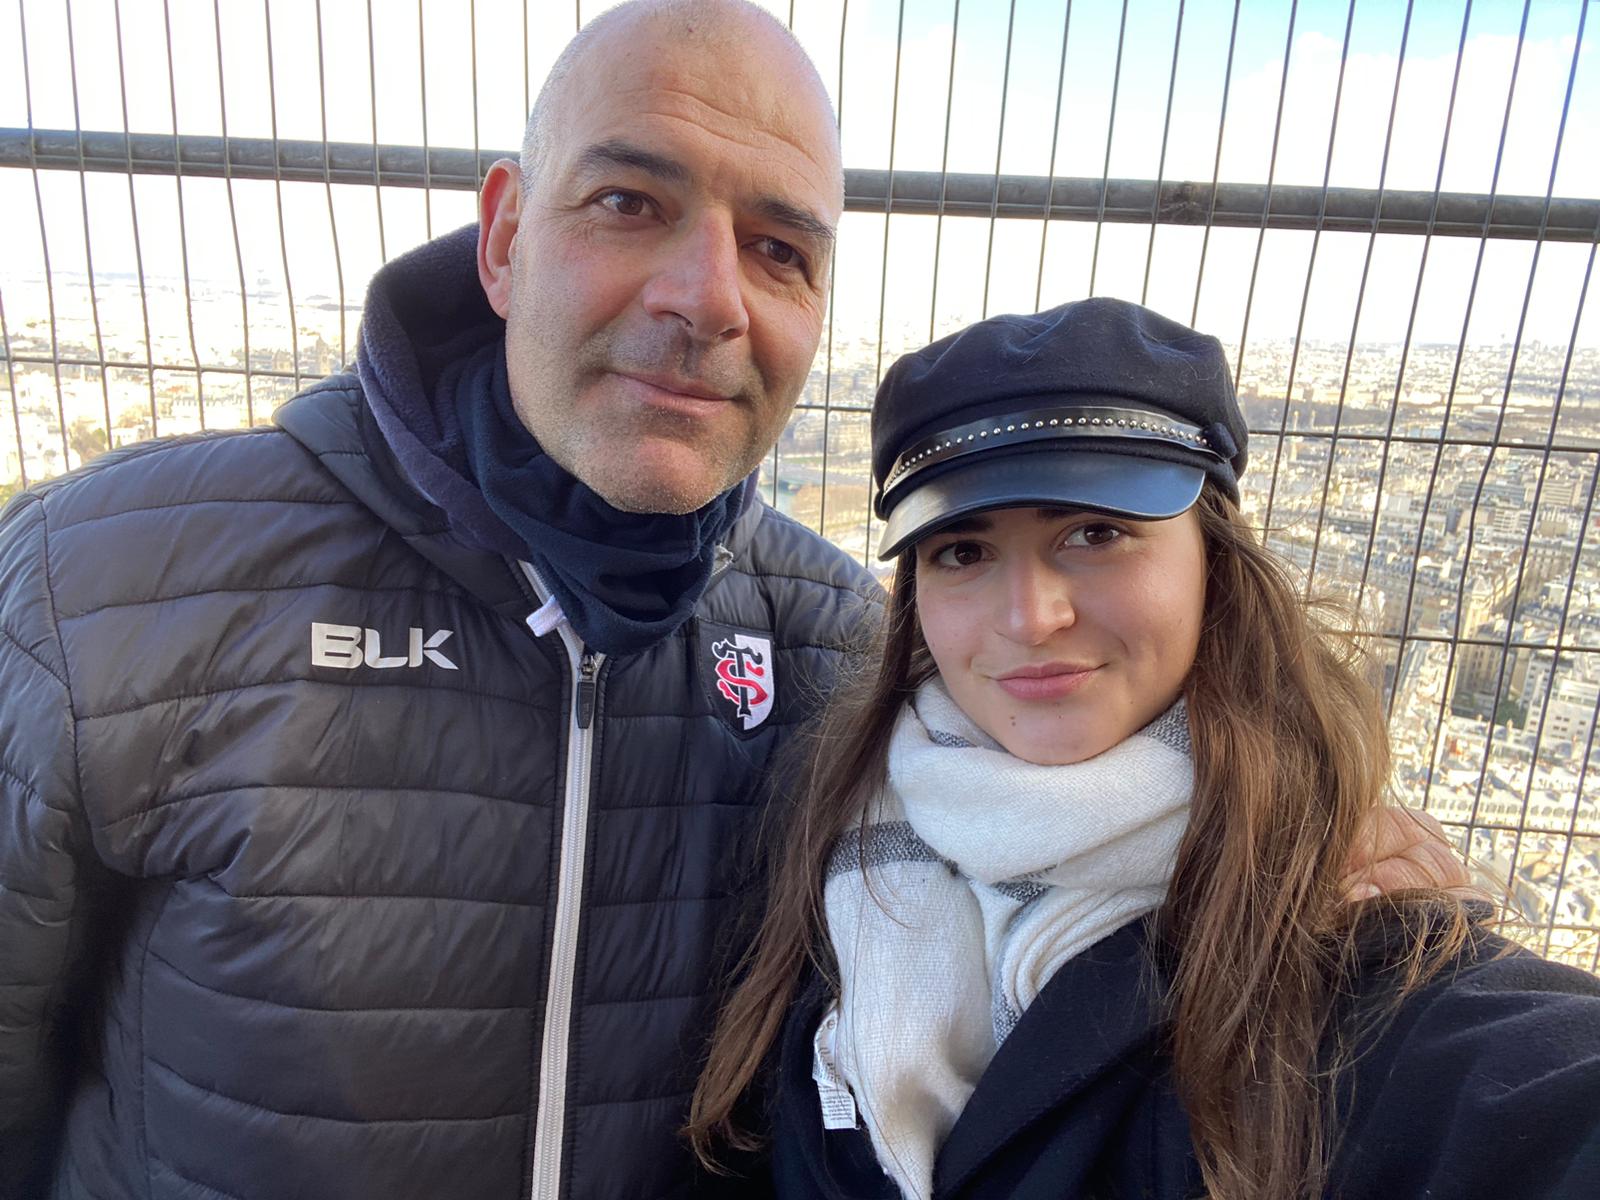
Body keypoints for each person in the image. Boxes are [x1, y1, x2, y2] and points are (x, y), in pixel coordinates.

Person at [0, 3, 1468, 1197]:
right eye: (629, 201)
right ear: (504, 238)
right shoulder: (108, 586)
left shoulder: (831, 646)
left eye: (779, 248)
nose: (708, 296)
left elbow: (1078, 792)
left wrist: (1296, 821)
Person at [688, 298, 1600, 1200]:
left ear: (1215, 562)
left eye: (1096, 533)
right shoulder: (835, 827)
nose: (1030, 617)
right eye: (962, 551)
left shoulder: (1350, 941)